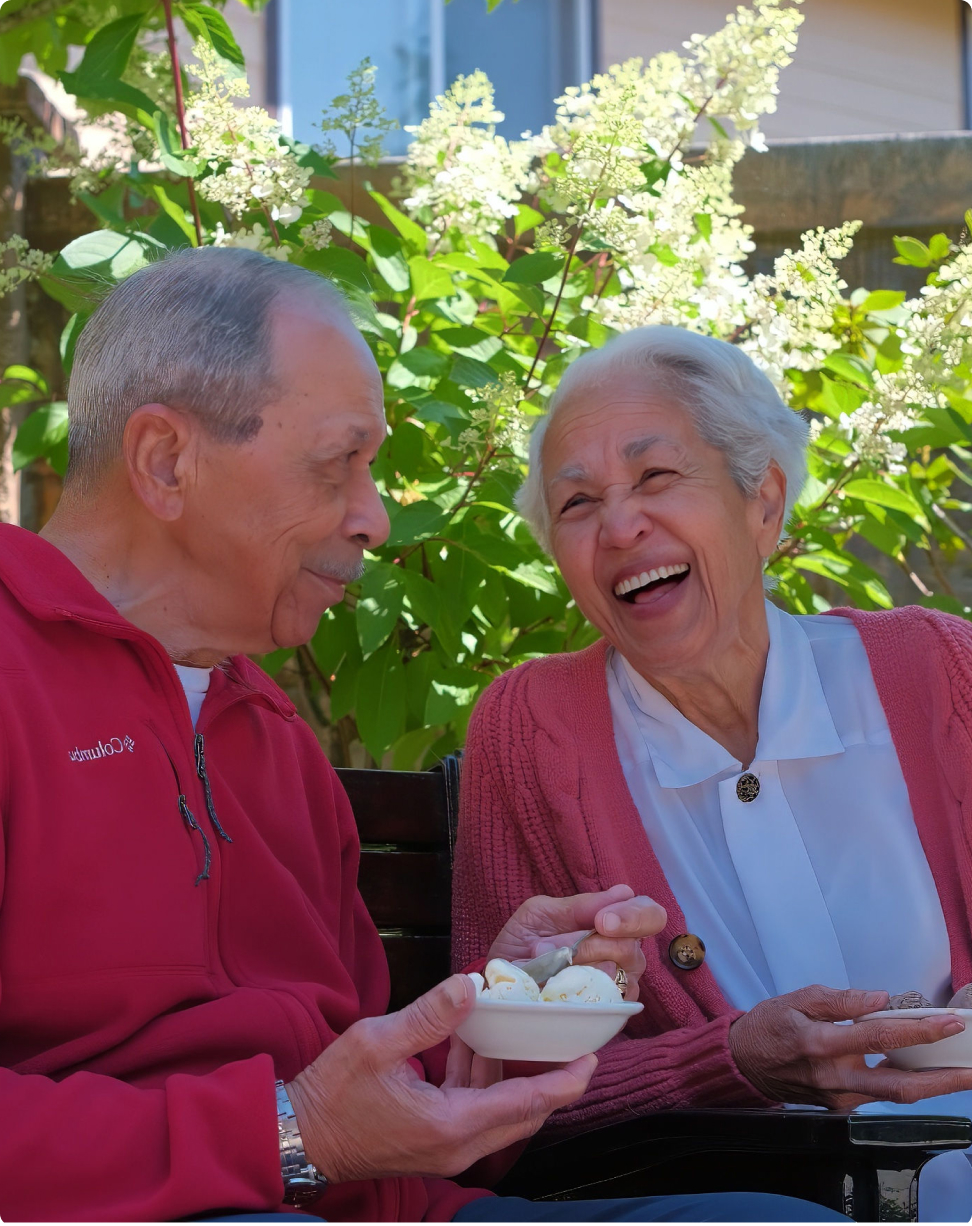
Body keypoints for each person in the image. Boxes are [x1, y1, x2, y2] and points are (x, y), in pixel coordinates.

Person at [0, 249, 840, 1224]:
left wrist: (508, 1014)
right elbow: (318, 1126)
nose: (375, 515)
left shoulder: (270, 740)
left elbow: (382, 1111)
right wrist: (289, 1130)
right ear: (166, 461)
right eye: (337, 463)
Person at [453, 324, 972, 1219]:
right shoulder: (532, 729)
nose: (619, 526)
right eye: (577, 504)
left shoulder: (936, 668)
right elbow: (491, 1108)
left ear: (762, 501)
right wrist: (729, 1062)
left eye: (656, 478)